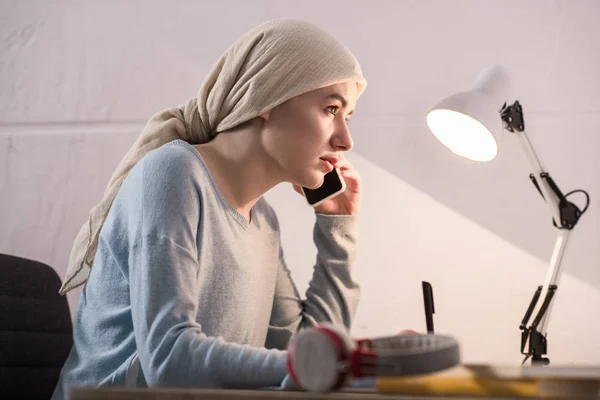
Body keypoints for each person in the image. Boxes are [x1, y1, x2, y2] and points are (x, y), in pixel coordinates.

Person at [52, 18, 367, 399]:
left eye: (347, 117)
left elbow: (301, 352)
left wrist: (338, 229)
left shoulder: (263, 222)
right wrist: (317, 363)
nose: (345, 139)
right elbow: (169, 360)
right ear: (265, 97)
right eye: (331, 108)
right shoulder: (173, 174)